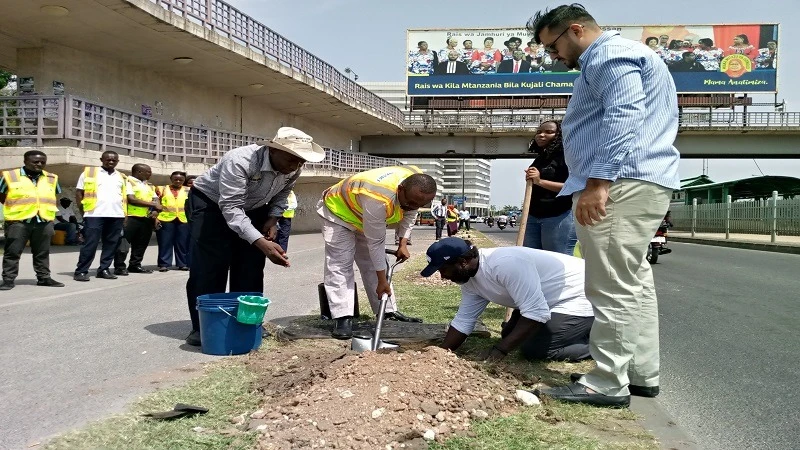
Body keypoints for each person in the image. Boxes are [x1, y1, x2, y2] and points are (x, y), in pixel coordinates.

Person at [526, 4, 679, 407]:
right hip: (636, 180)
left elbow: (624, 113)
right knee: (633, 282)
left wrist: (598, 181)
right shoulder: (626, 55)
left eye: (552, 46)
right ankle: (638, 373)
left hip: (620, 183)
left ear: (576, 30)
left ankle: (607, 382)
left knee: (609, 285)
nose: (552, 57)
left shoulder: (609, 55)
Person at [184, 127, 323, 346]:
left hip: (254, 205)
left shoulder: (293, 167)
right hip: (211, 205)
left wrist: (273, 217)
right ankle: (203, 327)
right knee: (211, 265)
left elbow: (283, 193)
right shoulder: (240, 160)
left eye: (300, 162)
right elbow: (230, 206)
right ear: (272, 150)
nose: (295, 166)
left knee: (250, 266)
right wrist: (260, 242)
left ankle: (247, 323)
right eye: (291, 160)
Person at [423, 238, 594, 362]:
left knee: (535, 349)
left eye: (444, 270)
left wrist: (500, 350)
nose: (442, 277)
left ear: (463, 262)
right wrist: (441, 353)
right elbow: (464, 320)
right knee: (509, 334)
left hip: (581, 293)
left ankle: (601, 346)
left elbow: (536, 312)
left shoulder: (504, 264)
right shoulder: (470, 280)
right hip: (546, 300)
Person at [318, 166, 436, 338]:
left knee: (375, 263)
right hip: (338, 214)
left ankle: (387, 311)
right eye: (410, 202)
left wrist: (403, 242)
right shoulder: (378, 197)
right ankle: (342, 316)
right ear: (400, 189)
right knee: (340, 263)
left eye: (419, 204)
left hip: (361, 214)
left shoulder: (416, 184)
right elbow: (376, 244)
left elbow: (410, 213)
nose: (412, 207)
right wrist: (382, 281)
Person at [0, 150, 65, 290]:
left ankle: (44, 278)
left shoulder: (52, 178)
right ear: (25, 161)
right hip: (18, 221)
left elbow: (54, 197)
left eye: (43, 162)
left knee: (42, 252)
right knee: (12, 252)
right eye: (35, 162)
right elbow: (2, 196)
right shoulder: (10, 176)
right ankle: (8, 280)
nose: (39, 164)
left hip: (44, 221)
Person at [523, 120, 577, 256]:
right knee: (532, 259)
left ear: (559, 135)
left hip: (558, 216)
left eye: (549, 132)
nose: (541, 135)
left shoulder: (567, 157)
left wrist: (539, 181)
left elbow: (571, 187)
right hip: (534, 216)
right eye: (539, 132)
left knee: (556, 260)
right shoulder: (541, 159)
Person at [74, 151, 127, 282]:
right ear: (101, 159)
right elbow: (79, 193)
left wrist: (125, 215)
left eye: (114, 160)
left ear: (117, 161)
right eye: (108, 159)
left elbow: (125, 196)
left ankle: (104, 269)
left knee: (111, 244)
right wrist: (83, 212)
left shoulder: (121, 176)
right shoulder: (89, 173)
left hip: (116, 215)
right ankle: (81, 271)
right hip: (94, 214)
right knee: (90, 244)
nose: (111, 162)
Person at [114, 164, 161, 274]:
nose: (150, 174)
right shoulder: (128, 181)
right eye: (148, 172)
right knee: (124, 244)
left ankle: (135, 265)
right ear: (139, 172)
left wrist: (156, 211)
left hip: (146, 218)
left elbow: (155, 199)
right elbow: (131, 199)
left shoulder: (148, 185)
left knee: (141, 244)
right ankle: (119, 267)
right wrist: (153, 205)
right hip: (131, 218)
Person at [155, 171, 190, 271]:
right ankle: (164, 264)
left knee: (182, 243)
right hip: (165, 219)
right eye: (176, 179)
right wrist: (155, 218)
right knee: (165, 242)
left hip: (183, 219)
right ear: (171, 179)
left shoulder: (188, 190)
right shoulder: (161, 189)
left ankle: (182, 263)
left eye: (181, 180)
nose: (178, 181)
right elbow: (155, 204)